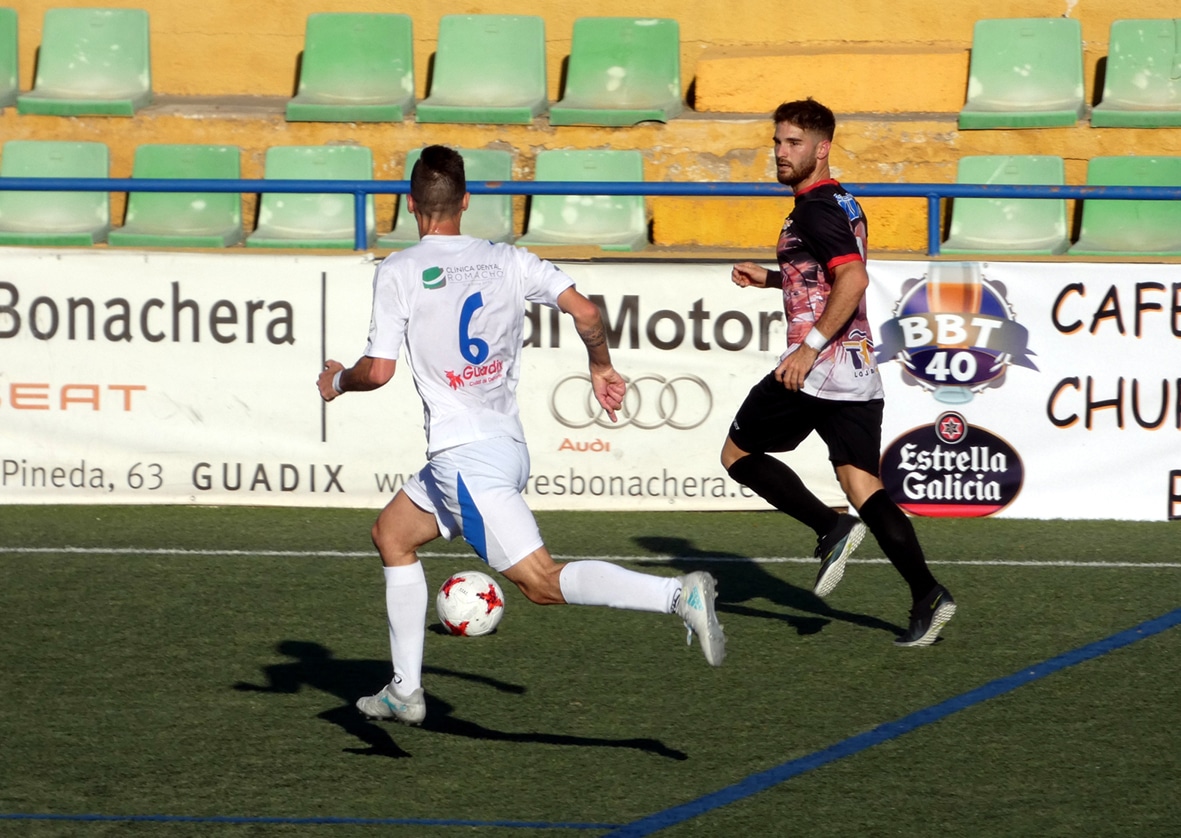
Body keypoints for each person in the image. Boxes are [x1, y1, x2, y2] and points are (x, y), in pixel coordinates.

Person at [317, 145, 726, 726]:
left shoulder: (400, 271)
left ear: (410, 205)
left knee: (540, 582)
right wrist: (601, 366)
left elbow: (377, 371)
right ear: (465, 201)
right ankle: (404, 688)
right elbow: (585, 312)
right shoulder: (510, 260)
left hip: (466, 461)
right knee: (391, 534)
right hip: (500, 448)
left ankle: (674, 596)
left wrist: (335, 381)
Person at [722, 99, 955, 647]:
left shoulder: (814, 208)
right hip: (856, 366)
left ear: (822, 148)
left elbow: (853, 281)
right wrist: (771, 279)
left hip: (820, 366)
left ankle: (829, 527)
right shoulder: (842, 201)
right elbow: (825, 277)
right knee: (862, 483)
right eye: (777, 142)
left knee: (738, 455)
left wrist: (806, 349)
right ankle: (927, 594)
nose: (781, 152)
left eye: (793, 143)